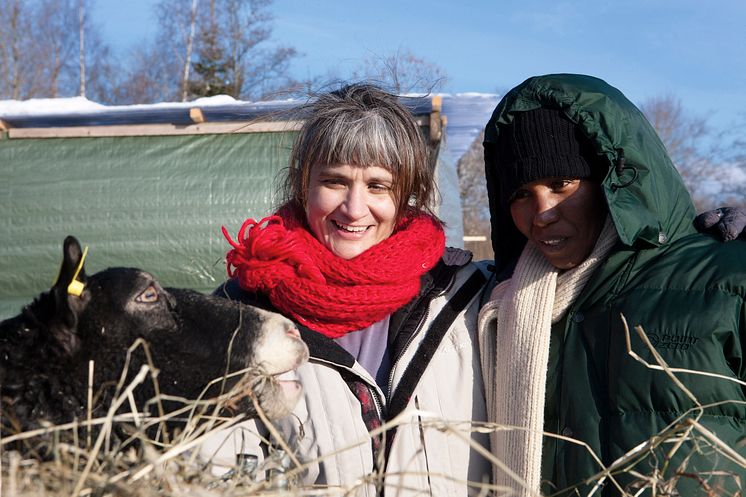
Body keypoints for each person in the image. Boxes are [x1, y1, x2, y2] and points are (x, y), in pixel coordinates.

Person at [204, 84, 492, 496]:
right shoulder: (243, 310)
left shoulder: (467, 295)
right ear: (303, 184)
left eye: (378, 186)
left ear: (406, 194)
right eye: (335, 181)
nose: (354, 209)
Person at [478, 73, 746, 496]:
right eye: (520, 195)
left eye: (561, 183)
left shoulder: (725, 280)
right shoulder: (500, 306)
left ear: (612, 182)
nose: (541, 212)